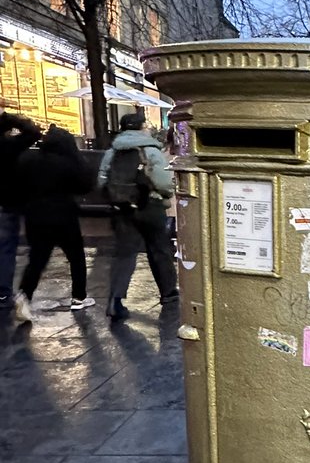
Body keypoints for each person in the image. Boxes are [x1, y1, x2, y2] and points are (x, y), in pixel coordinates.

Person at [98, 111, 178, 321]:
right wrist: (167, 194)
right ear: (142, 127)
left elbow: (102, 180)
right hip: (149, 206)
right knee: (159, 249)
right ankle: (168, 294)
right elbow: (163, 182)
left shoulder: (112, 151)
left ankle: (115, 300)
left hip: (123, 209)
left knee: (125, 254)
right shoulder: (151, 150)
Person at [13, 124, 95, 323]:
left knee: (37, 259)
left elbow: (18, 186)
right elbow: (85, 185)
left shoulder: (29, 159)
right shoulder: (69, 163)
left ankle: (25, 294)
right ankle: (78, 296)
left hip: (35, 217)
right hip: (64, 215)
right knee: (75, 257)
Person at [0, 107, 42, 310]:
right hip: (6, 204)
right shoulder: (8, 146)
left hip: (8, 204)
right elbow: (34, 132)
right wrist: (11, 119)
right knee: (6, 248)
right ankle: (2, 293)